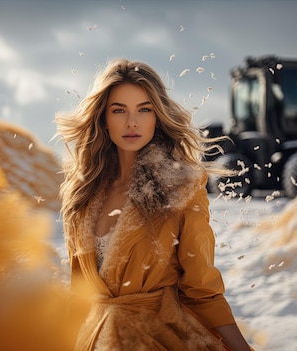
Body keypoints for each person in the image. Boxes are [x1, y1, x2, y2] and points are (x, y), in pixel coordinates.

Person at [55, 58, 253, 351]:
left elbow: (201, 288)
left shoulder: (182, 187)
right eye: (119, 110)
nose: (131, 122)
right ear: (103, 118)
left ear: (158, 116)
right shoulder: (82, 192)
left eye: (144, 109)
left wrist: (242, 349)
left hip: (160, 338)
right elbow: (78, 293)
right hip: (94, 340)